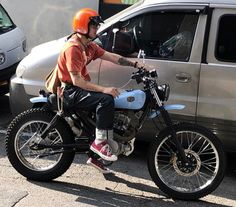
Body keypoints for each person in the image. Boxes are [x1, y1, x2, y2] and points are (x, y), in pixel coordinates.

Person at [56, 8, 144, 173]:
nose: (97, 29)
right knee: (105, 99)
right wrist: (105, 89)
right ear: (83, 27)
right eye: (94, 26)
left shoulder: (88, 46)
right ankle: (100, 143)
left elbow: (111, 56)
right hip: (71, 91)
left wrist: (136, 64)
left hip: (78, 88)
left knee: (106, 105)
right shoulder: (73, 48)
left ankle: (95, 156)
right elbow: (77, 81)